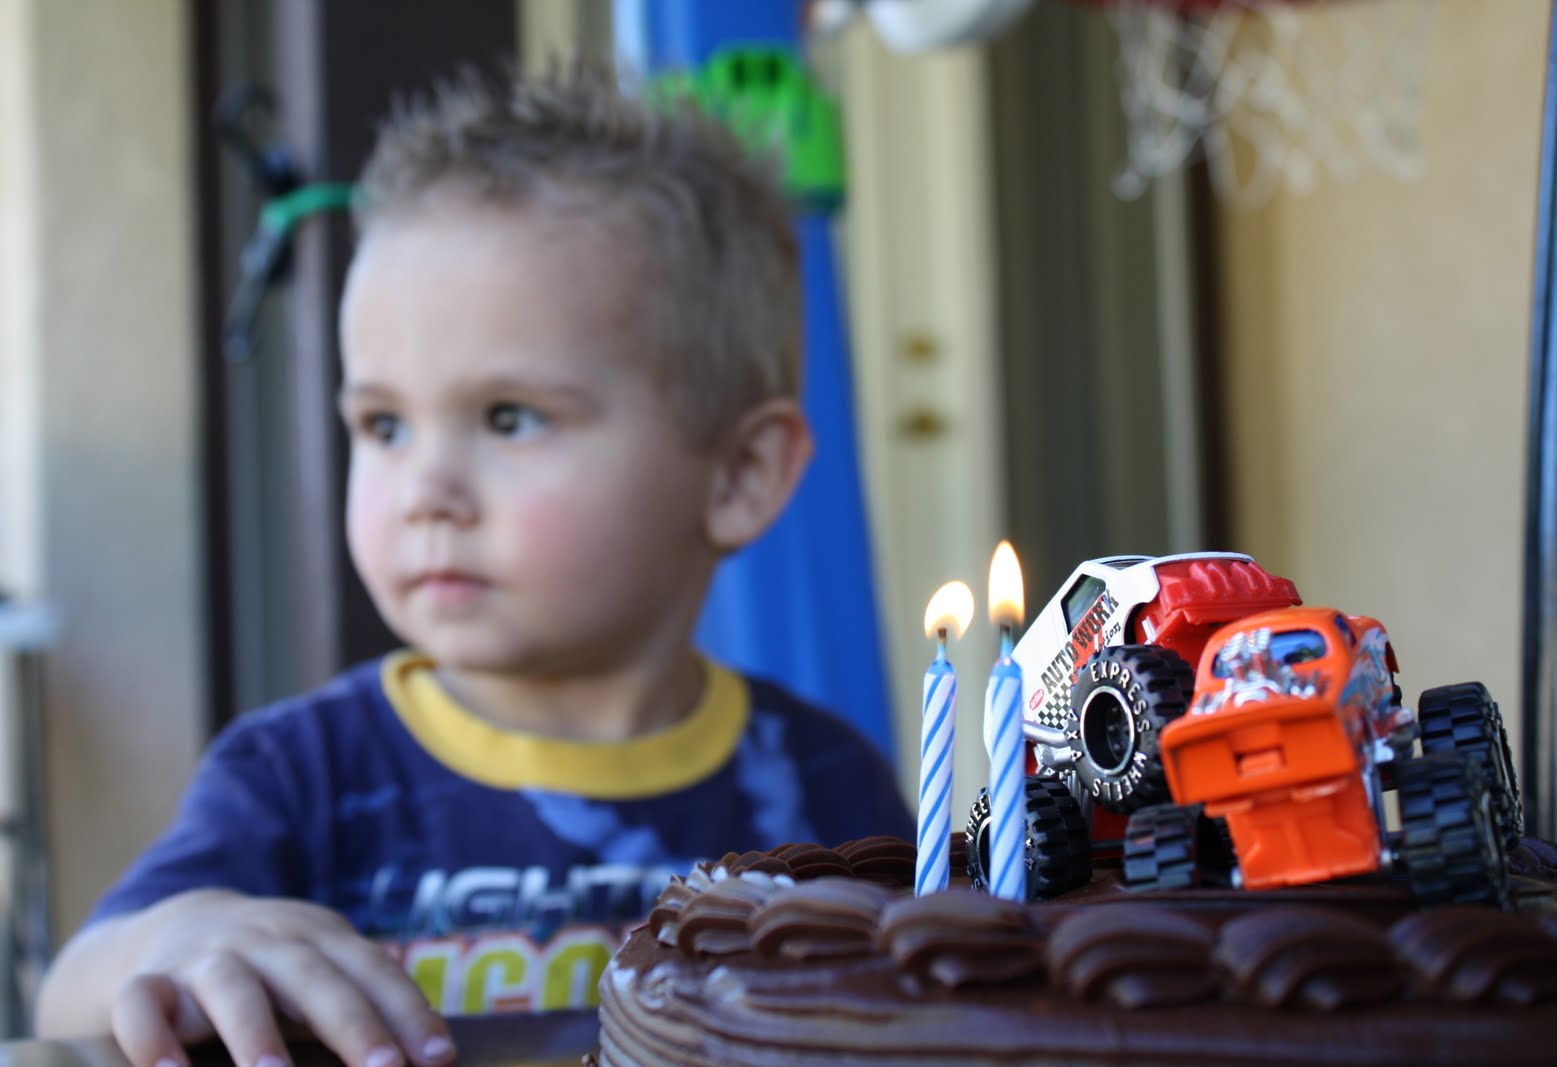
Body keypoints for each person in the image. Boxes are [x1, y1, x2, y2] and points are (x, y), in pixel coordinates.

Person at [35, 61, 912, 1067]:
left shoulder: (825, 786)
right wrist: (183, 937)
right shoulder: (302, 776)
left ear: (739, 475)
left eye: (509, 417)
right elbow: (69, 993)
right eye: (383, 424)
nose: (425, 489)